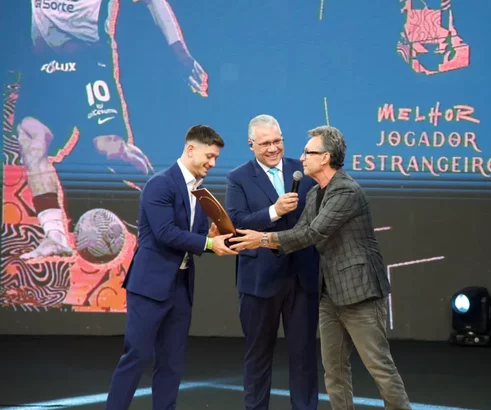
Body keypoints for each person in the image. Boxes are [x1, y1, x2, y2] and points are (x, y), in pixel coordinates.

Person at [229, 126, 412, 410]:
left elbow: (312, 233)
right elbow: (301, 231)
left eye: (308, 152)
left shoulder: (346, 191)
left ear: (325, 157)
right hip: (329, 295)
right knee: (334, 371)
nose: (300, 158)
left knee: (379, 367)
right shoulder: (315, 193)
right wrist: (263, 234)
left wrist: (262, 238)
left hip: (359, 292)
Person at [16, 0, 208, 260]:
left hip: (89, 66)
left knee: (110, 149)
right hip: (43, 70)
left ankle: (166, 198)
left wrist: (180, 52)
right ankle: (55, 235)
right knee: (32, 139)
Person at [105, 125, 237, 410]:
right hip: (149, 287)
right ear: (191, 149)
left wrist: (214, 239)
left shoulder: (201, 194)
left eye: (216, 158)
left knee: (171, 363)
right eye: (209, 156)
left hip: (181, 288)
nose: (212, 164)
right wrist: (210, 244)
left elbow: (196, 239)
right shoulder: (160, 184)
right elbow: (166, 233)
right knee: (136, 356)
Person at [225, 114, 320, 410]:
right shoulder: (237, 178)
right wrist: (273, 212)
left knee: (304, 357)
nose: (272, 148)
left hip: (302, 277)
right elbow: (237, 223)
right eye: (265, 143)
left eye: (277, 141)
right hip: (259, 279)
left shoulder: (303, 170)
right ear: (251, 145)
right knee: (258, 357)